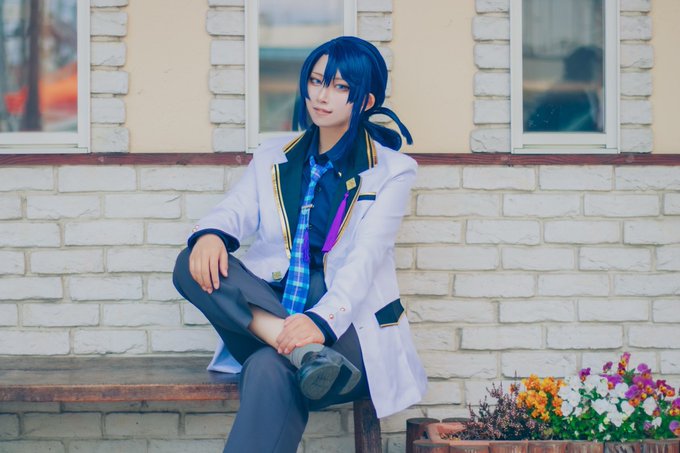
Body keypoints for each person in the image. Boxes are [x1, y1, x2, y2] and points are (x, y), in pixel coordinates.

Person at [172, 36, 427, 453]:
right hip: (278, 310)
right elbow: (235, 210)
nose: (322, 95)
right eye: (316, 80)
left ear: (365, 101)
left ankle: (301, 350)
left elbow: (365, 260)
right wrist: (212, 234)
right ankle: (301, 352)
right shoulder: (272, 157)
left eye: (340, 87)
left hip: (347, 334)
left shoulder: (392, 171)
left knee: (267, 368)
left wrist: (320, 323)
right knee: (190, 261)